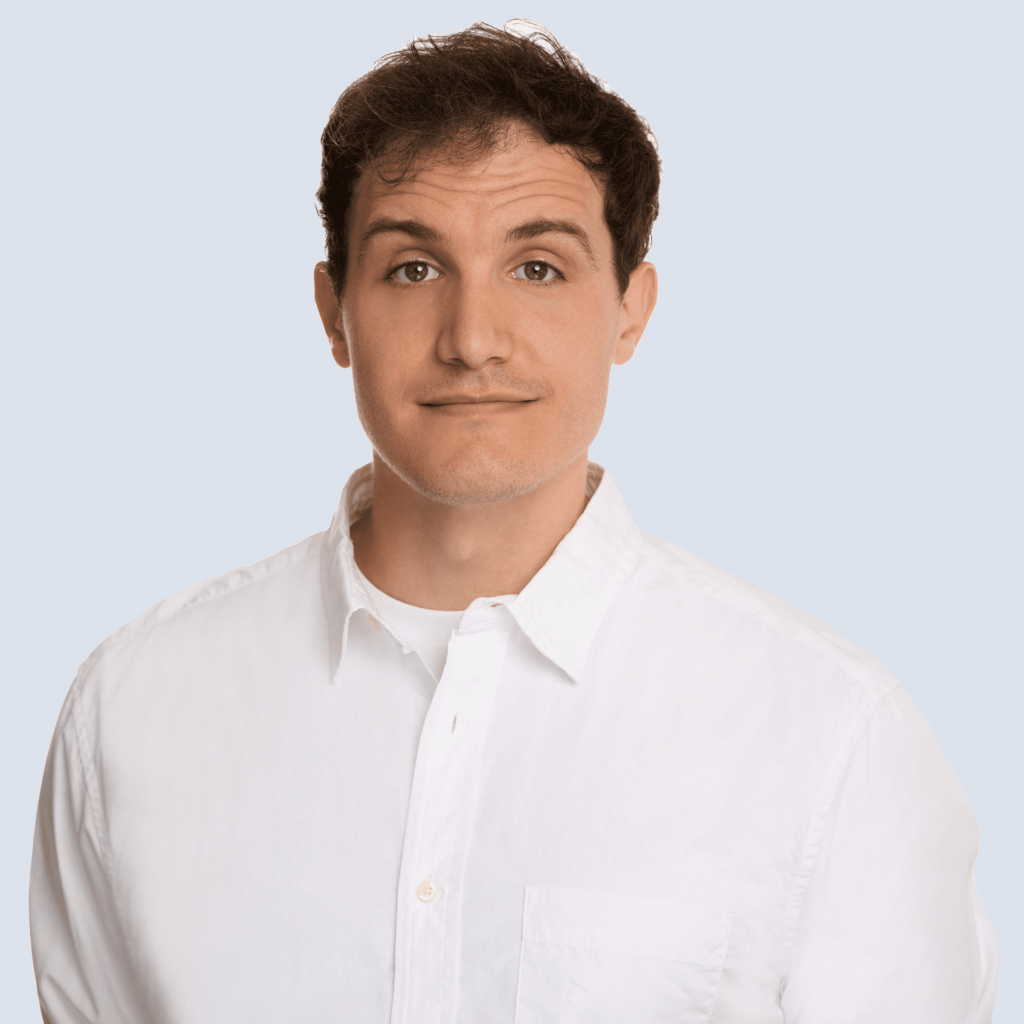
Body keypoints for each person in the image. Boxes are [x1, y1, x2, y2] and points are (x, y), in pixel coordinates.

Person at [29, 21, 998, 1024]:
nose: (472, 339)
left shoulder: (829, 738)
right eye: (413, 268)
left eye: (537, 267)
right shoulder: (133, 711)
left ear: (630, 309)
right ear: (333, 312)